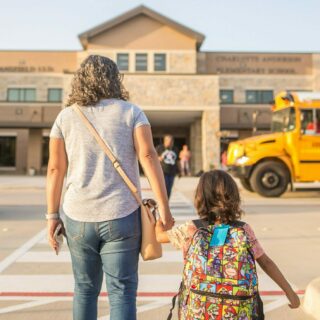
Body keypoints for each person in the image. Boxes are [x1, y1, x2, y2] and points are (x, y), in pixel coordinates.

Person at [46, 55, 174, 320]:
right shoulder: (131, 112)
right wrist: (164, 208)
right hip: (122, 215)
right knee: (122, 292)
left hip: (78, 215)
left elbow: (55, 169)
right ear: (115, 79)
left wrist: (52, 216)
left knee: (84, 289)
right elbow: (149, 157)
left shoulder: (65, 117)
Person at [156, 170, 300, 317]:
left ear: (200, 197)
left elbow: (160, 237)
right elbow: (266, 262)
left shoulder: (192, 229)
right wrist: (290, 292)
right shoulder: (244, 230)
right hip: (238, 310)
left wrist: (159, 225)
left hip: (198, 310)